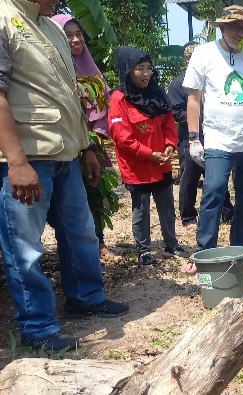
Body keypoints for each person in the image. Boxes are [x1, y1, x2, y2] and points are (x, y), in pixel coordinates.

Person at [0, 0, 128, 351]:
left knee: (81, 233)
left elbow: (70, 94)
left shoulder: (52, 26)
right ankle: (38, 329)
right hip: (29, 156)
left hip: (65, 153)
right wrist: (16, 161)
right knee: (24, 249)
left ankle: (86, 297)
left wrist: (86, 146)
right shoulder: (4, 19)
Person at [183, 5, 243, 264]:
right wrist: (193, 138)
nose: (241, 32)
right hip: (217, 139)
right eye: (235, 26)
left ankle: (240, 250)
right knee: (213, 192)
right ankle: (204, 253)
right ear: (222, 27)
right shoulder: (204, 54)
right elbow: (193, 99)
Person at [108, 46, 191, 265]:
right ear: (128, 70)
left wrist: (169, 146)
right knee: (141, 209)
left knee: (166, 207)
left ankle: (171, 244)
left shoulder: (156, 93)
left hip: (161, 162)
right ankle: (143, 250)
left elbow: (169, 124)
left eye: (148, 68)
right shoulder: (118, 99)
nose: (146, 74)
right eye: (140, 69)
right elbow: (122, 137)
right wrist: (148, 154)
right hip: (138, 166)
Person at [51, 13, 122, 264]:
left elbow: (100, 105)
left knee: (95, 191)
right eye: (67, 35)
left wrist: (94, 138)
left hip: (92, 141)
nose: (75, 39)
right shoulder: (52, 70)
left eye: (78, 34)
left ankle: (99, 241)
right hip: (63, 142)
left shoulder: (89, 69)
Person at [167, 41, 234, 232]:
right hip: (190, 138)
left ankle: (227, 212)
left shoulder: (212, 79)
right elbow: (175, 112)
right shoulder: (178, 83)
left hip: (213, 135)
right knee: (189, 177)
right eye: (191, 57)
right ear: (186, 59)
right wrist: (198, 119)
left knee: (216, 176)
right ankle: (188, 216)